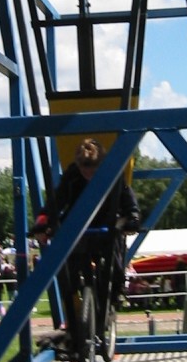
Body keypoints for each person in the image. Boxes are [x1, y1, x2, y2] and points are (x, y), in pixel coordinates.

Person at [33, 138, 140, 332]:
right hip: (79, 223)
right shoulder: (72, 176)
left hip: (106, 223)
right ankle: (73, 299)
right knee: (66, 264)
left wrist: (132, 217)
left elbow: (127, 198)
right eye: (85, 171)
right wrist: (43, 223)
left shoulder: (113, 173)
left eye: (93, 171)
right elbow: (57, 201)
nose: (89, 175)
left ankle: (114, 295)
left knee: (114, 260)